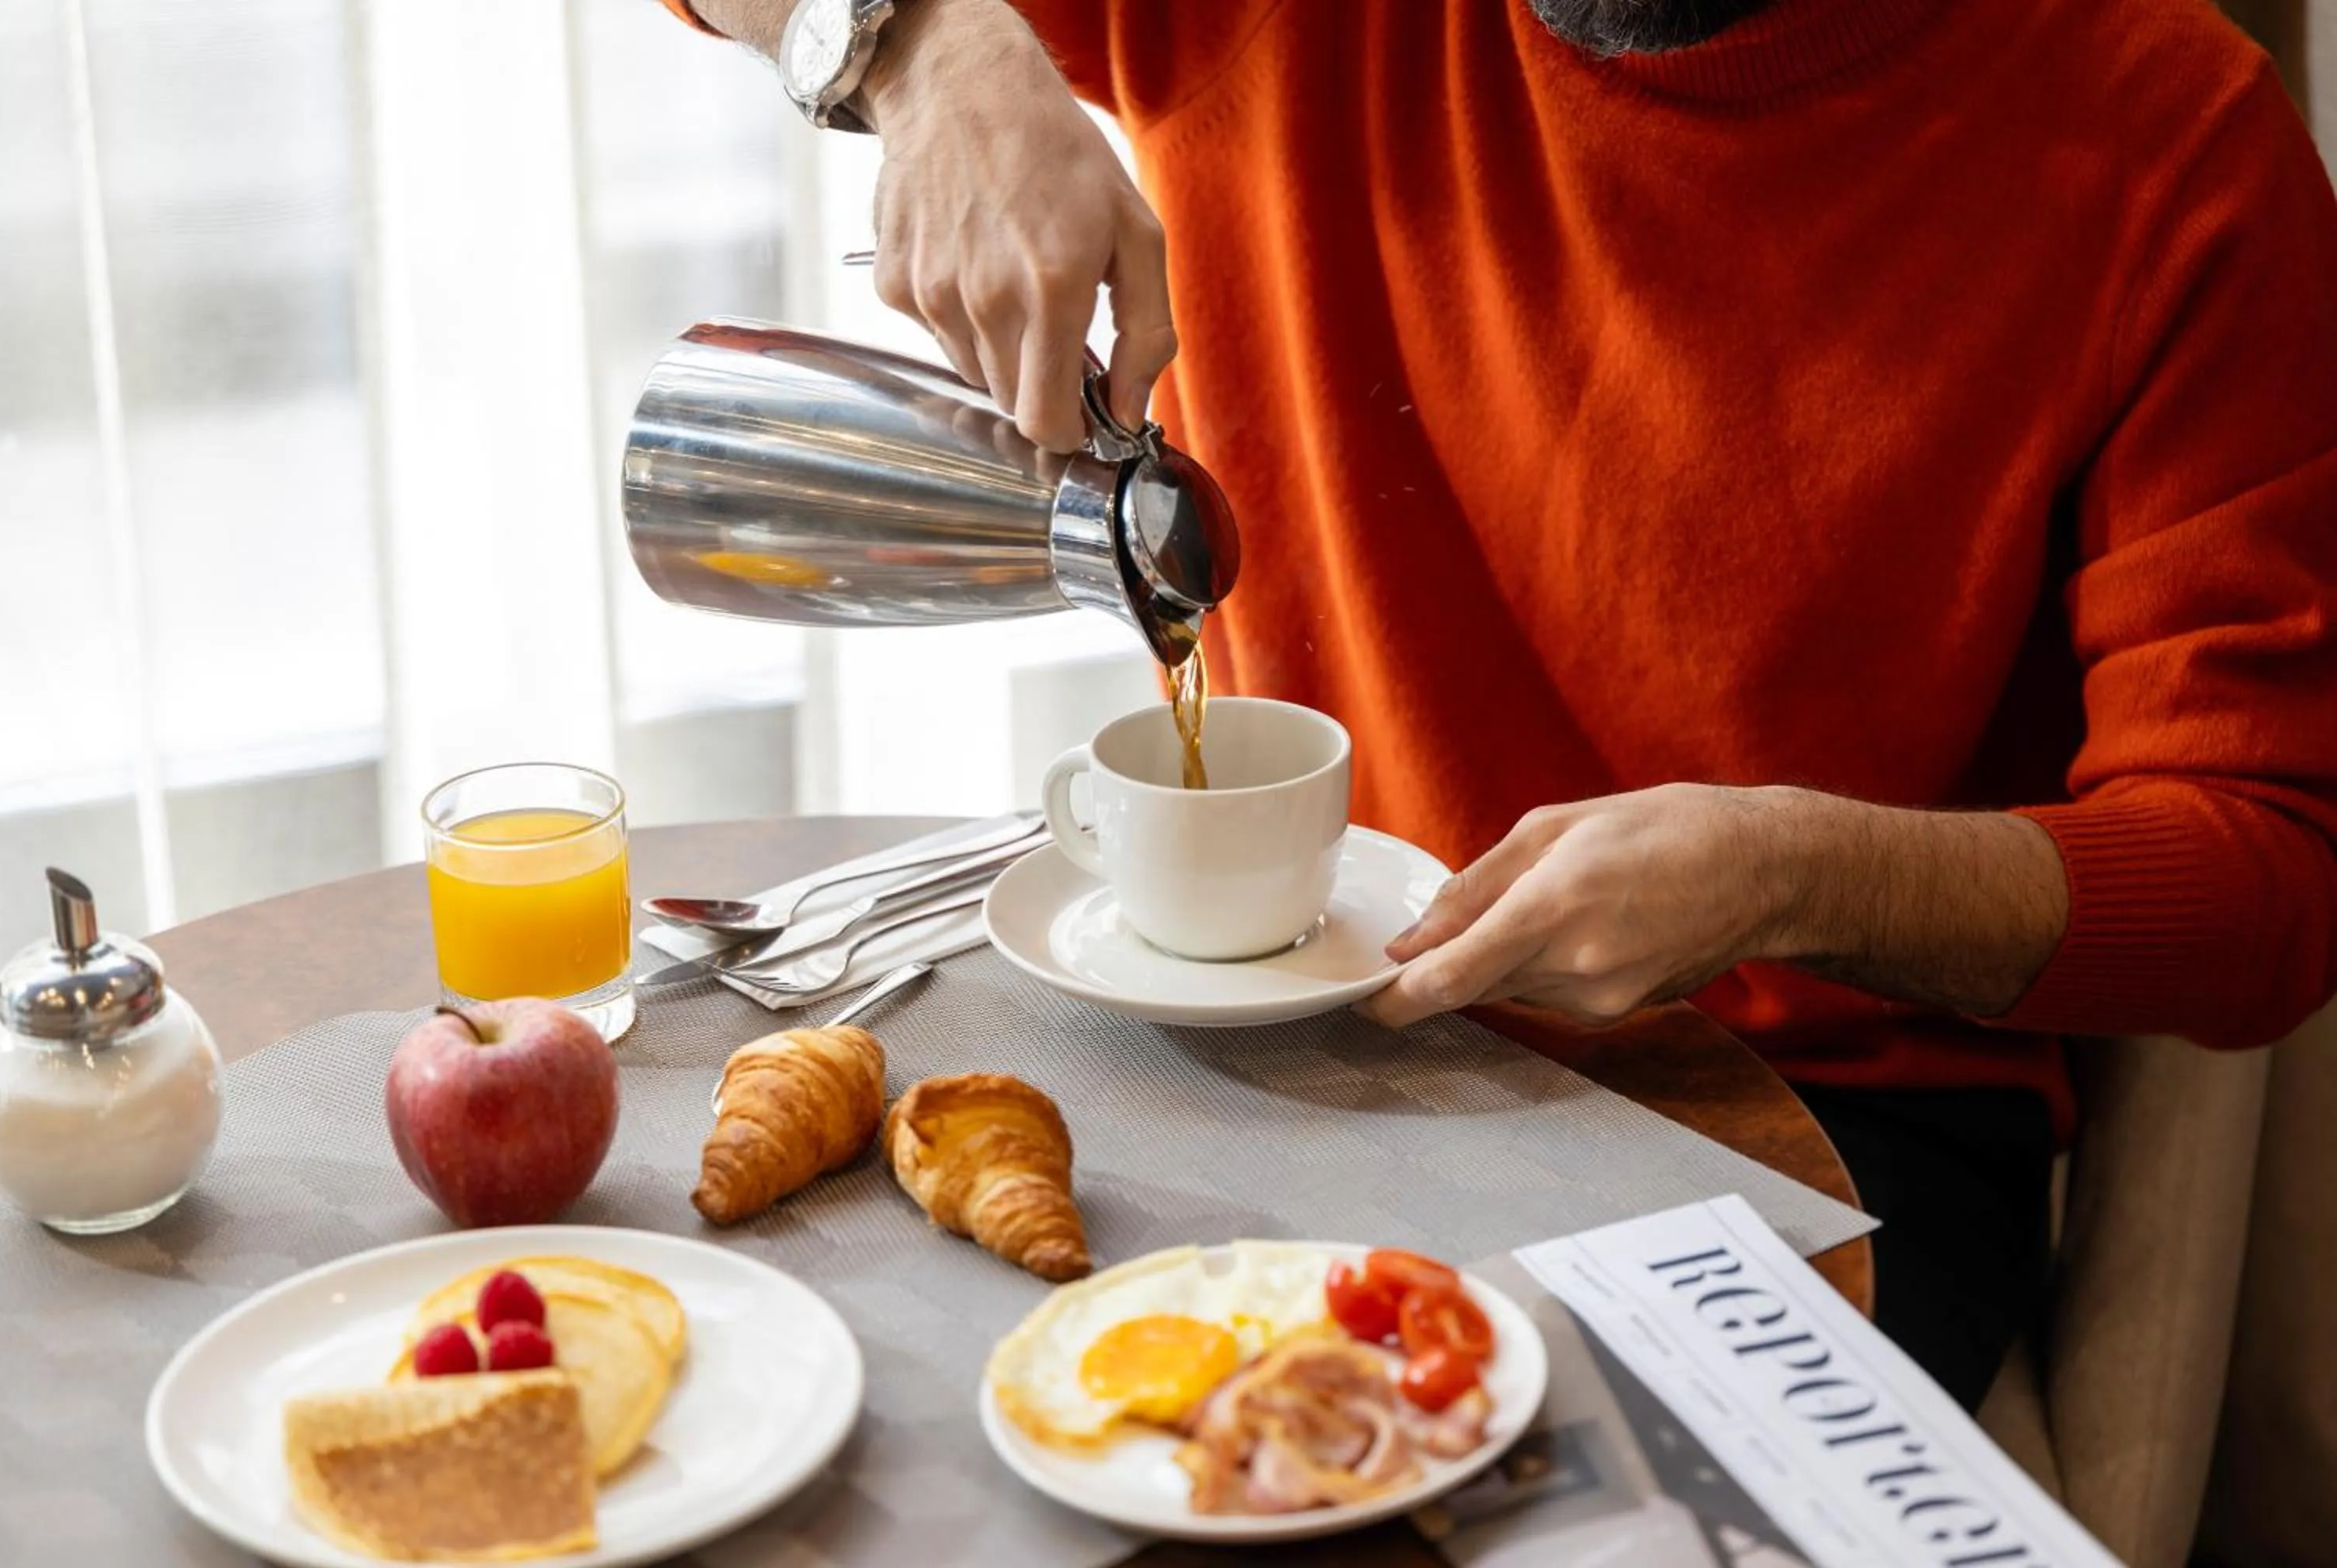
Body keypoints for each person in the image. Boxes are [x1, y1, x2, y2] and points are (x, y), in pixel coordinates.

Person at [660, 0, 2337, 1410]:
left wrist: (1796, 873)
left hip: (1810, 1114)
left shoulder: (2159, 132)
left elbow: (2270, 872)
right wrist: (920, 46)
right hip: (1269, 1039)